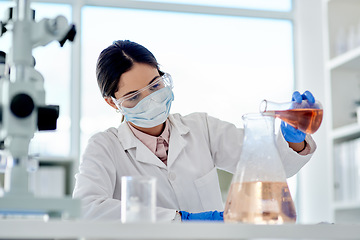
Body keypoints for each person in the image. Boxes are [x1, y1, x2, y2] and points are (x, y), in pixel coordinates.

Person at [72, 40, 317, 222]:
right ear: (112, 102)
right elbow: (86, 209)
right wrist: (179, 219)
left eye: (155, 85)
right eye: (134, 97)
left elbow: (270, 168)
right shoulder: (105, 147)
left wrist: (291, 138)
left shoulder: (202, 129)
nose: (152, 100)